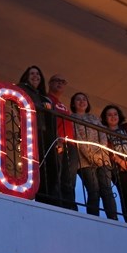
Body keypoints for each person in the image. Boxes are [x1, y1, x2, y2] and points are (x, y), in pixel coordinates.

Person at [70, 92, 117, 220]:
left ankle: (114, 219)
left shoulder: (94, 118)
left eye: (84, 99)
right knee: (93, 190)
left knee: (107, 190)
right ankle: (94, 219)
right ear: (73, 103)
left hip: (103, 159)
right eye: (78, 99)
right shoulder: (72, 118)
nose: (81, 101)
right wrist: (92, 157)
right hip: (85, 161)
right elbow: (78, 140)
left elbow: (102, 136)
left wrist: (100, 154)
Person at [17, 66, 56, 201]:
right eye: (32, 73)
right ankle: (38, 196)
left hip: (45, 133)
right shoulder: (22, 89)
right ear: (26, 76)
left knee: (49, 167)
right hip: (31, 131)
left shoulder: (43, 96)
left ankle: (48, 197)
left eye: (38, 74)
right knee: (36, 167)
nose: (35, 76)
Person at [46, 74, 80, 210]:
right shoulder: (47, 99)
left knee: (70, 180)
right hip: (57, 141)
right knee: (57, 176)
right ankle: (58, 207)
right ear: (50, 83)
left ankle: (70, 208)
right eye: (56, 81)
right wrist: (56, 139)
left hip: (70, 144)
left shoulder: (62, 105)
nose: (60, 83)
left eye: (63, 81)